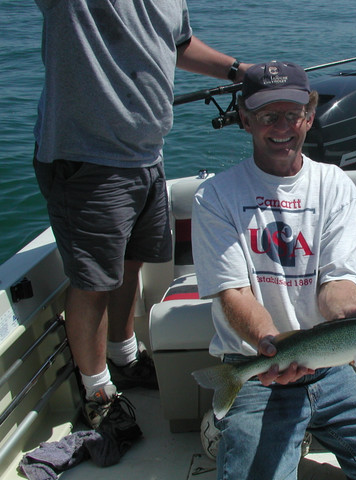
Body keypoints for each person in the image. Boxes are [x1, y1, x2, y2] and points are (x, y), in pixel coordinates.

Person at [192, 61, 356, 480]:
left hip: (331, 369)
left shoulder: (336, 185)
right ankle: (237, 425)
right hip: (258, 370)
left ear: (310, 115)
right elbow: (234, 294)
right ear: (245, 120)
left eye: (292, 113)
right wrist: (272, 346)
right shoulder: (215, 195)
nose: (282, 126)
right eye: (268, 115)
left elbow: (336, 287)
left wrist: (346, 314)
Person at [32, 0, 250, 443]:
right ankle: (98, 394)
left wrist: (239, 71)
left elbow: (179, 44)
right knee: (92, 281)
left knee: (132, 263)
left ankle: (125, 357)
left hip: (148, 155)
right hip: (87, 156)